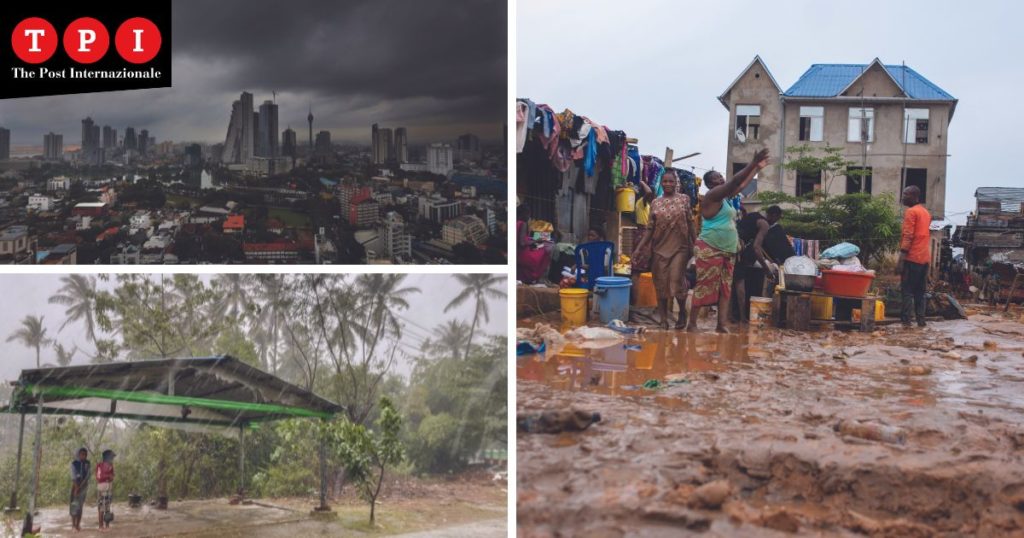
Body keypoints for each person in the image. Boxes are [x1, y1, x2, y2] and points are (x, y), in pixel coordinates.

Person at [687, 148, 769, 333]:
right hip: (710, 247)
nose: (721, 180)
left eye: (720, 177)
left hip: (728, 249)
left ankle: (721, 324)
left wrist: (756, 168)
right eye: (716, 178)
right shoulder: (712, 197)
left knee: (726, 288)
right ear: (709, 184)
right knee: (705, 286)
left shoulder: (725, 200)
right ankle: (692, 324)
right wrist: (752, 162)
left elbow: (739, 186)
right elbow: (735, 181)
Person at [633, 170, 696, 329]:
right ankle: (663, 319)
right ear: (661, 183)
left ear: (676, 183)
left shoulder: (684, 200)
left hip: (680, 248)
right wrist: (639, 249)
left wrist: (696, 246)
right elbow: (649, 229)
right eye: (665, 181)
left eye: (671, 181)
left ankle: (682, 312)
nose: (668, 184)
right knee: (660, 284)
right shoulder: (656, 202)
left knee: (676, 281)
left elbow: (690, 224)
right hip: (659, 248)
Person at [733, 205, 796, 321]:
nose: (776, 222)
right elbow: (757, 248)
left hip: (731, 247)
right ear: (773, 215)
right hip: (738, 252)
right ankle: (742, 317)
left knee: (732, 285)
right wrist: (766, 269)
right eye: (777, 218)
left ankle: (730, 316)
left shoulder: (752, 216)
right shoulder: (765, 225)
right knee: (740, 286)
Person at [897, 185, 932, 327]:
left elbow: (908, 235)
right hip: (924, 259)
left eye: (905, 194)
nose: (903, 196)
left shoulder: (911, 212)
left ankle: (906, 323)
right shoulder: (926, 213)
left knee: (906, 291)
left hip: (912, 258)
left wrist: (901, 258)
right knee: (920, 292)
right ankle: (921, 322)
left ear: (914, 196)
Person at [516, 204, 553, 284]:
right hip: (522, 253)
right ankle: (539, 277)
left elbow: (525, 237)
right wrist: (537, 240)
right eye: (528, 214)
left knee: (546, 240)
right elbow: (522, 242)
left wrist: (537, 238)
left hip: (519, 251)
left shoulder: (516, 223)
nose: (529, 216)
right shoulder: (523, 224)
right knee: (546, 249)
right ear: (524, 214)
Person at [69, 447, 90, 532]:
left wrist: (81, 486)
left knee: (80, 506)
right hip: (75, 486)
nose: (83, 456)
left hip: (83, 487)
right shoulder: (74, 463)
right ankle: (73, 525)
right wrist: (76, 487)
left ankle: (78, 525)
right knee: (74, 505)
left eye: (85, 455)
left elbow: (88, 475)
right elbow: (73, 476)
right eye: (82, 454)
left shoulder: (87, 463)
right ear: (78, 455)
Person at [95, 449, 115, 530]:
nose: (112, 459)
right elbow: (99, 477)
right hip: (102, 487)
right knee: (101, 507)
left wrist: (110, 477)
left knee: (107, 507)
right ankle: (100, 526)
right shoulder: (99, 465)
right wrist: (108, 476)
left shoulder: (111, 466)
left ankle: (107, 525)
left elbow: (112, 476)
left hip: (108, 487)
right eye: (111, 457)